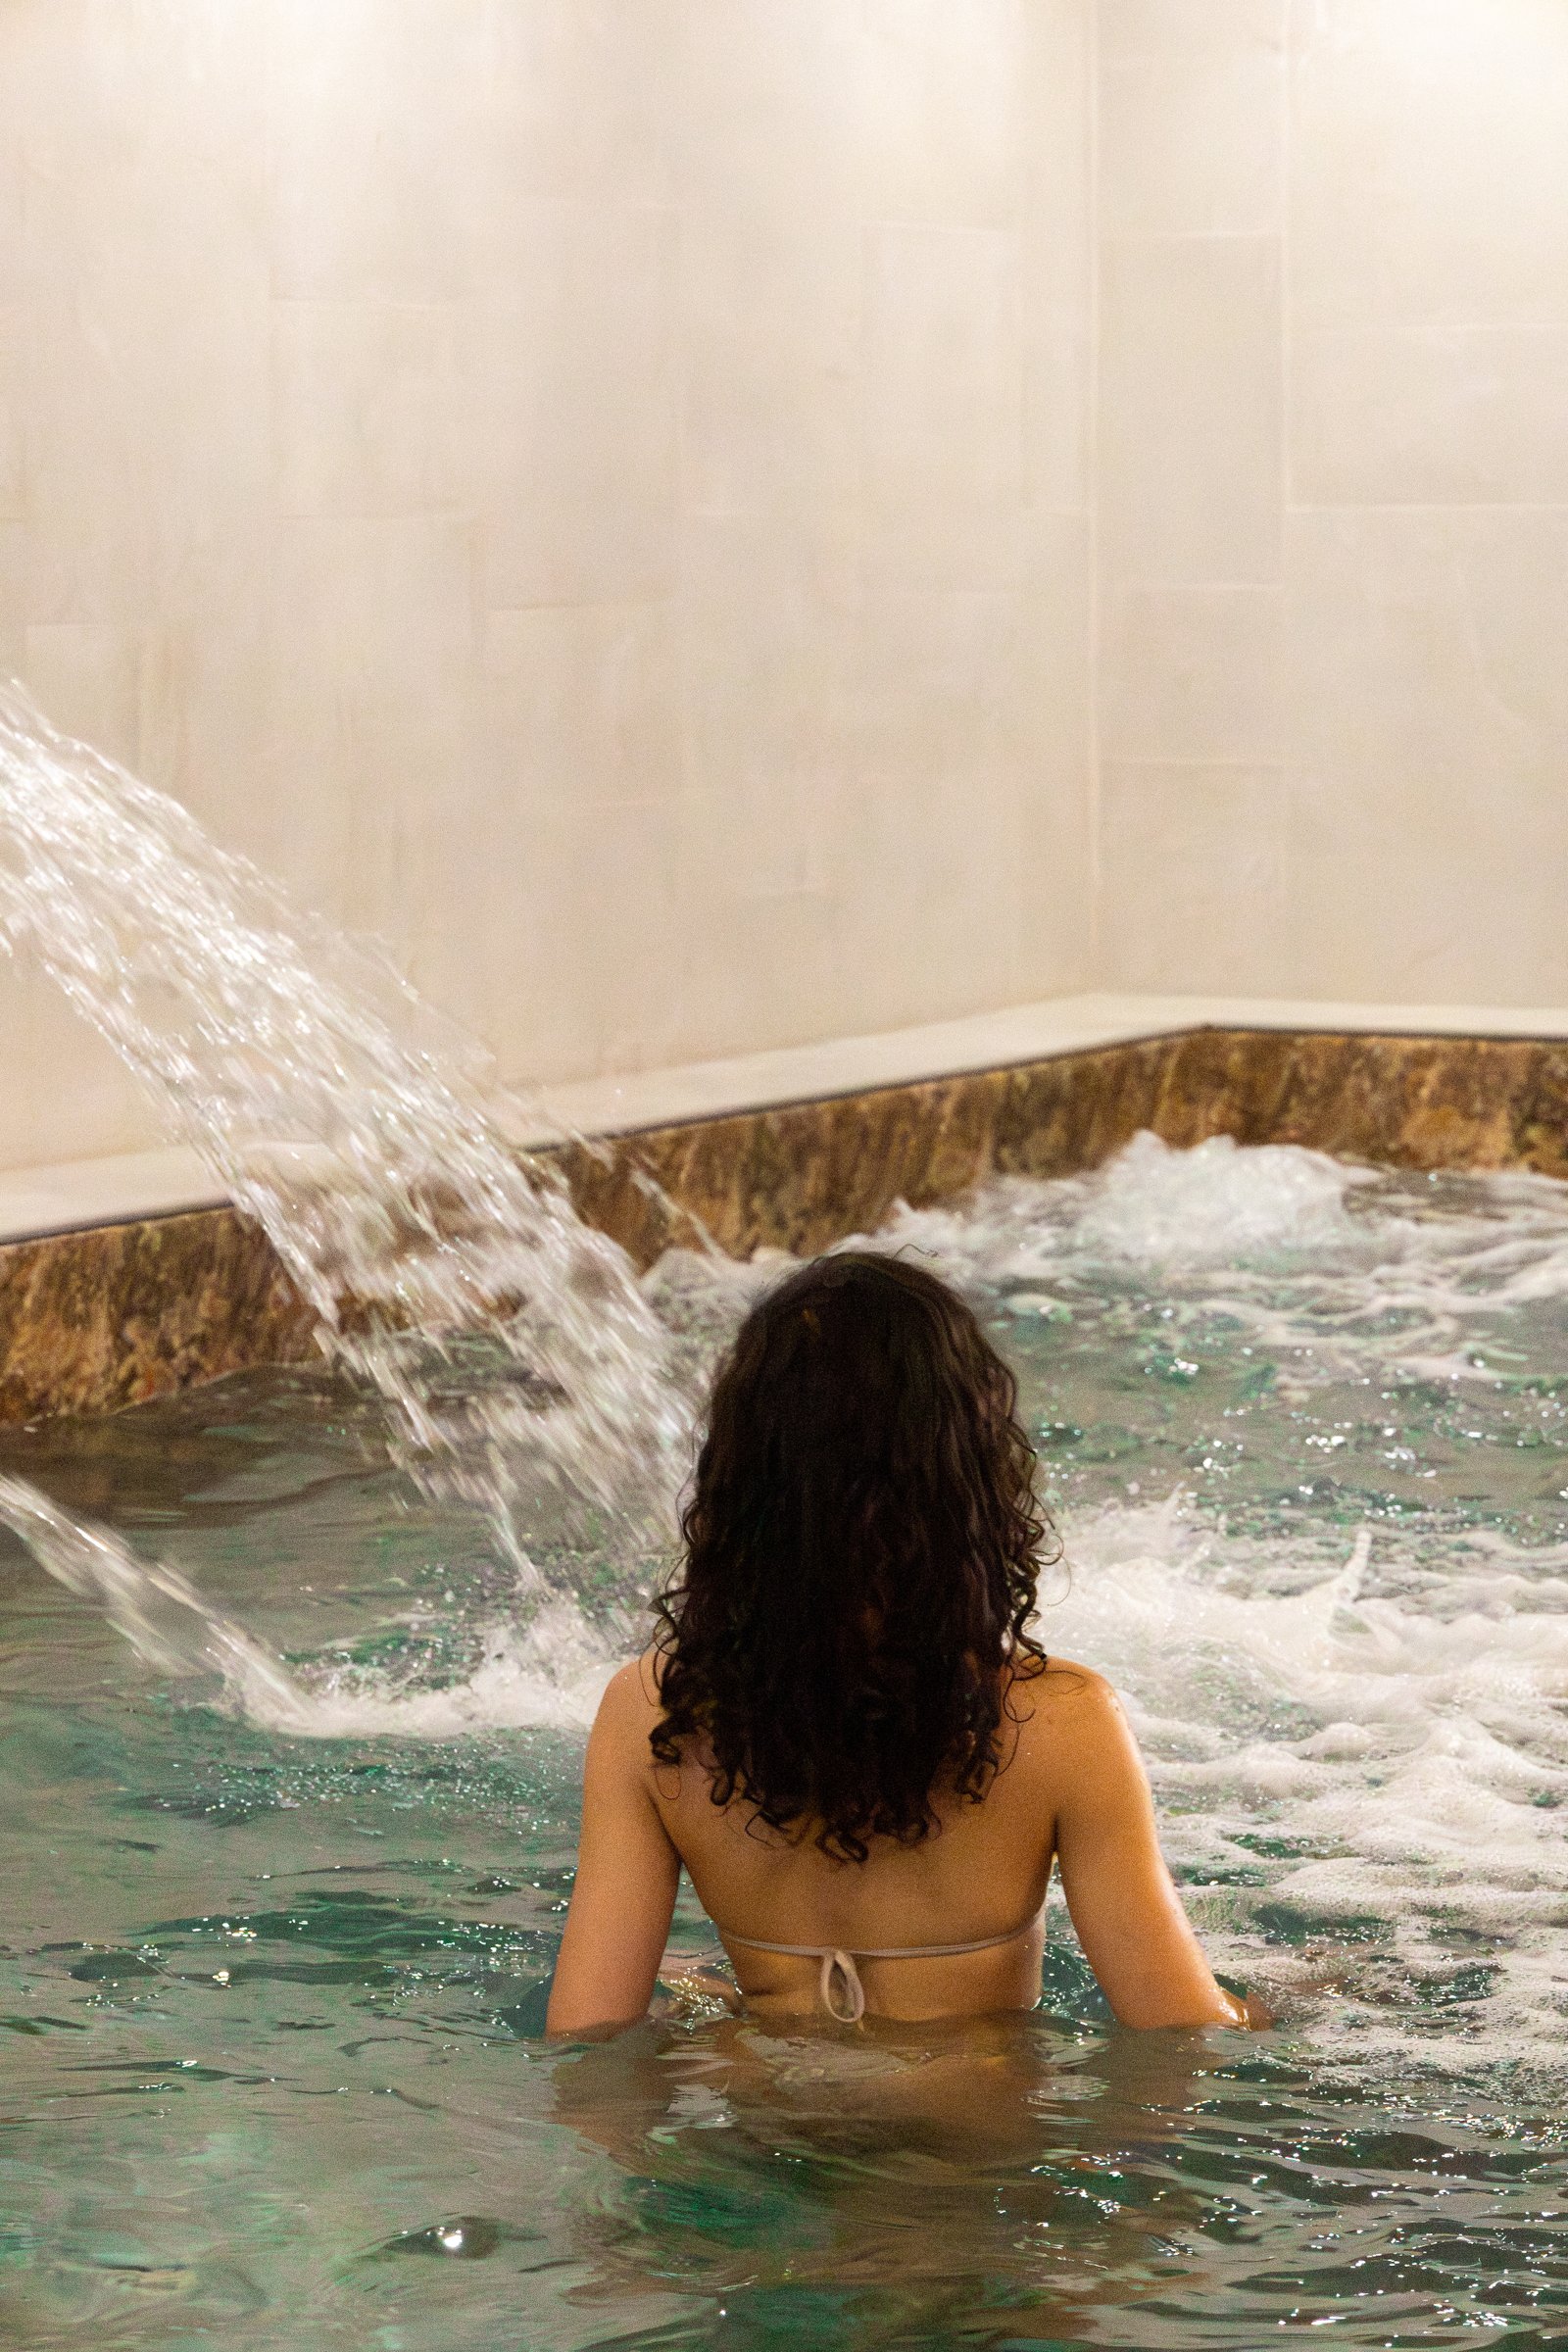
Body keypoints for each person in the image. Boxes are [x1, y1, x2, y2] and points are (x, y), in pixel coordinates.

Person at [546, 1250, 1256, 2039]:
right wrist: (1276, 2005)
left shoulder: (652, 1715)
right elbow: (1186, 2037)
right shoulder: (1064, 1726)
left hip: (764, 2110)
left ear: (737, 1486)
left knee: (692, 1985)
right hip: (977, 2117)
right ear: (972, 1482)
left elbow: (586, 2040)